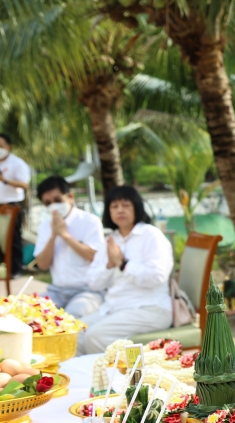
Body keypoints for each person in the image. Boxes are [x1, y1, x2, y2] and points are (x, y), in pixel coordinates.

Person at [77, 186, 174, 355]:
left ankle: (121, 378)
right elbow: (93, 282)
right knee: (74, 333)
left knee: (95, 337)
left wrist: (123, 264)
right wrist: (109, 265)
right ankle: (88, 378)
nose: (120, 210)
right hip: (115, 308)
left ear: (136, 207)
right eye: (114, 206)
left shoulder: (151, 235)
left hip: (150, 309)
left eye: (126, 205)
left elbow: (157, 277)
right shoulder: (111, 240)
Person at [34, 176, 105, 317]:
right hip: (56, 291)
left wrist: (65, 235)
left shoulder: (90, 221)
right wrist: (54, 235)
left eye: (57, 200)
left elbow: (95, 257)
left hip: (88, 291)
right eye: (48, 203)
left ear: (70, 197)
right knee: (33, 314)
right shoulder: (44, 226)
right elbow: (42, 264)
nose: (53, 206)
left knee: (72, 316)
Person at [0, 133, 31, 276]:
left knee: (13, 239)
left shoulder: (18, 164)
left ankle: (16, 270)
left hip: (12, 206)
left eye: (1, 146)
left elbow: (24, 184)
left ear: (9, 146)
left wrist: (5, 180)